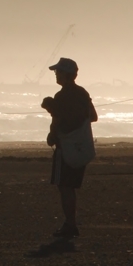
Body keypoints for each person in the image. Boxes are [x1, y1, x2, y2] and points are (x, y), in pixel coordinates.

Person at [41, 57, 98, 239]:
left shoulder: (61, 96)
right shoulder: (82, 93)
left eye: (58, 72)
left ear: (66, 74)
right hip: (80, 146)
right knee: (70, 186)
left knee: (64, 186)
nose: (56, 75)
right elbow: (93, 116)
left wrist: (53, 114)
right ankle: (70, 224)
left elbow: (60, 121)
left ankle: (70, 224)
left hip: (65, 147)